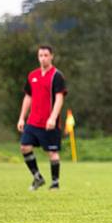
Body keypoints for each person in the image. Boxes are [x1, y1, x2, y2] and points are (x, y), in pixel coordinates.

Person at [17, 45, 67, 191]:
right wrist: (22, 118)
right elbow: (28, 97)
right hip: (33, 121)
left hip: (49, 123)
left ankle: (55, 183)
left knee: (52, 152)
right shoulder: (32, 75)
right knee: (24, 147)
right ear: (38, 57)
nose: (43, 58)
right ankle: (37, 177)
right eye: (40, 55)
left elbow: (59, 99)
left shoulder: (56, 76)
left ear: (52, 56)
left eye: (46, 55)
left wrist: (53, 117)